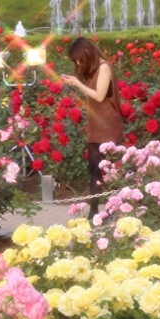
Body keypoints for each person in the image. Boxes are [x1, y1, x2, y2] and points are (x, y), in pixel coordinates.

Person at [61, 38, 123, 218]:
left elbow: (99, 95)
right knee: (94, 170)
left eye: (79, 59)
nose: (79, 63)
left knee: (109, 170)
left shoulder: (104, 67)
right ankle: (94, 212)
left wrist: (78, 84)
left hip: (108, 126)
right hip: (96, 125)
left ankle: (111, 210)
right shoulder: (95, 69)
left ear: (87, 52)